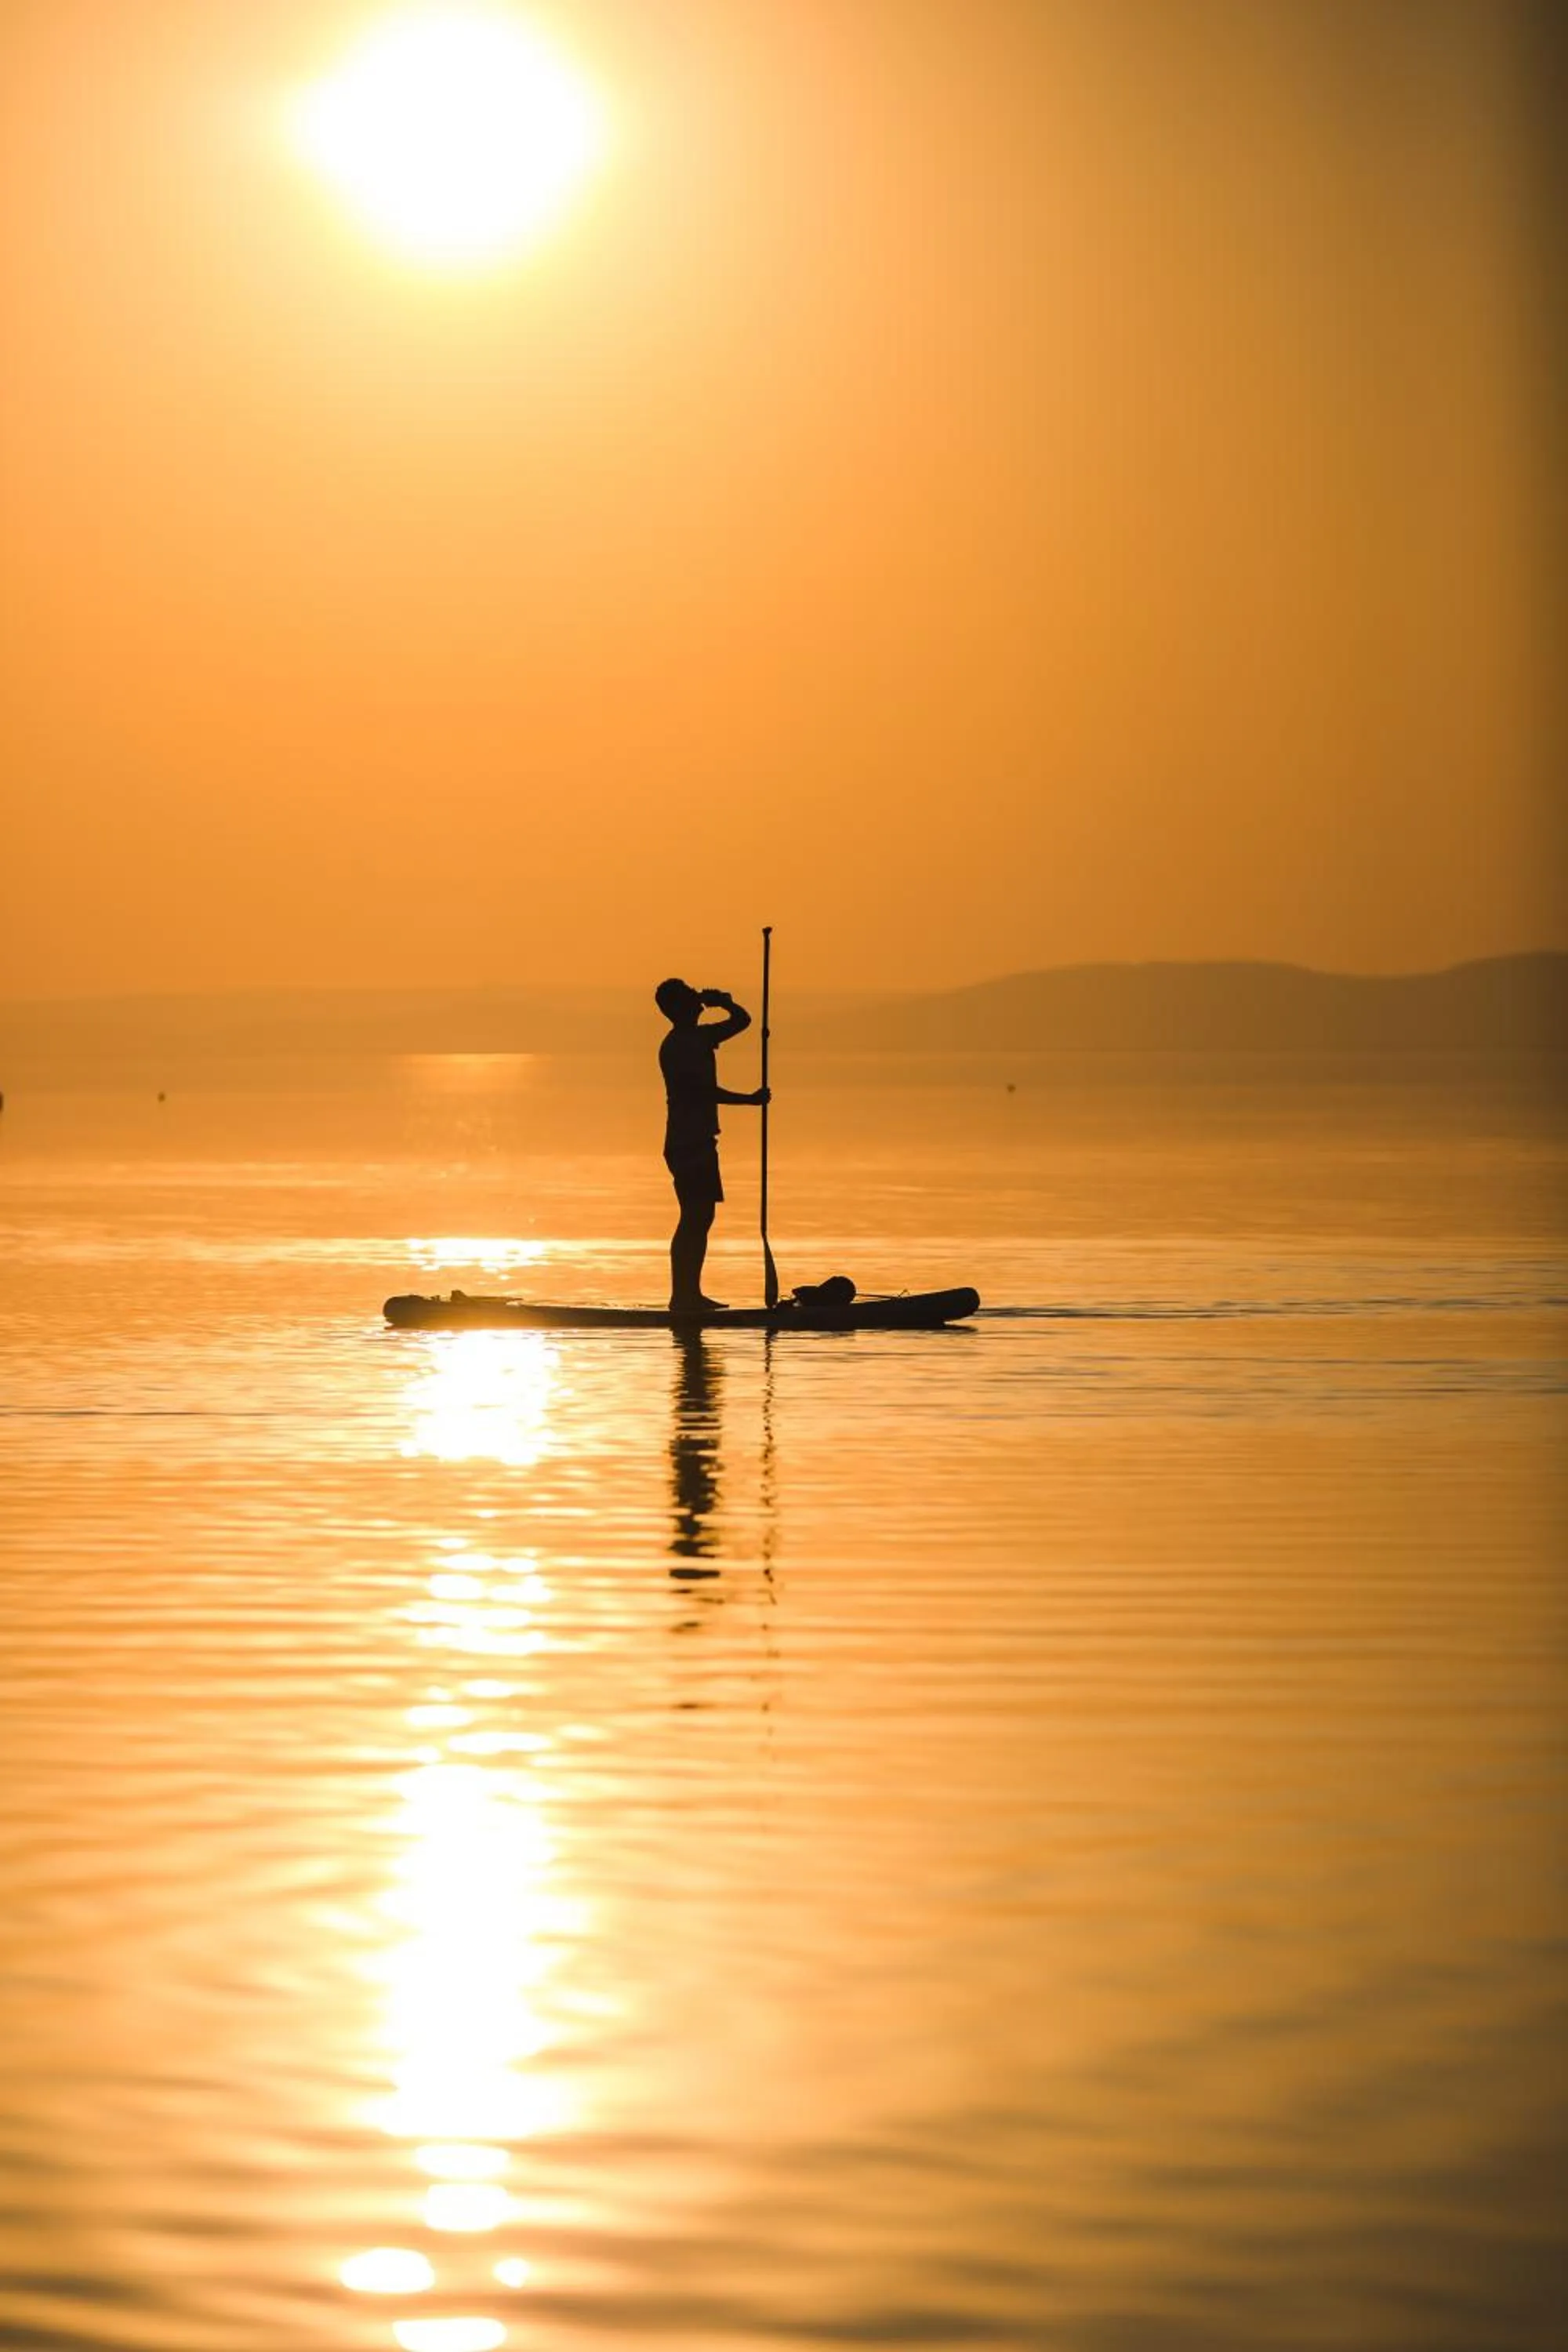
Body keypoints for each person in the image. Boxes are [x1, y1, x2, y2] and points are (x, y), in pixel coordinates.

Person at [654, 977, 768, 1316]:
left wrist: (727, 1003)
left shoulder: (702, 1036)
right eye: (690, 994)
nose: (697, 996)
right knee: (694, 1216)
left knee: (701, 1217)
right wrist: (749, 1101)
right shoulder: (677, 1045)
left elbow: (743, 1022)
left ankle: (691, 1294)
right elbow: (700, 1091)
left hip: (701, 1140)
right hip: (685, 1143)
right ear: (677, 1007)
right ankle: (683, 1297)